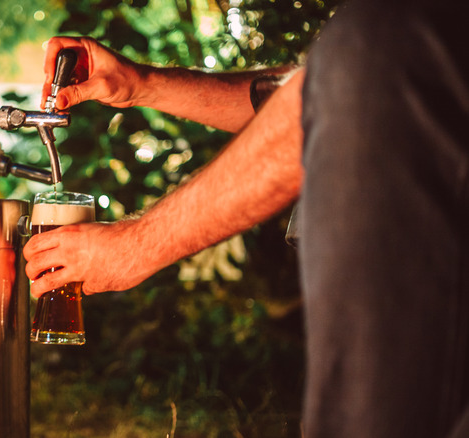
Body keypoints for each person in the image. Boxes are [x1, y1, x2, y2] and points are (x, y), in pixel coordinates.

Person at [23, 1, 469, 437]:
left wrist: (133, 246)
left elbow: (351, 80)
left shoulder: (395, 35)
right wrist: (143, 84)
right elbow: (316, 91)